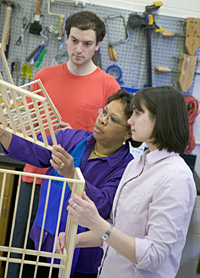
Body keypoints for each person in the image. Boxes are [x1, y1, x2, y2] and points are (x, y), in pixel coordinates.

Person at [7, 10, 120, 278]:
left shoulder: (108, 85)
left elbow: (111, 134)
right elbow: (22, 123)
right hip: (33, 176)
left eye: (87, 43)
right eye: (73, 40)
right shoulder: (44, 76)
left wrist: (78, 132)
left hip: (75, 186)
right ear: (66, 39)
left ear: (98, 45)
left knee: (62, 257)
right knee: (20, 249)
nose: (78, 49)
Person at [56, 86, 197, 278]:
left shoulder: (176, 177)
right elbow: (118, 230)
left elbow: (154, 256)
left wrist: (96, 223)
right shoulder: (137, 165)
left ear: (160, 120)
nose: (130, 120)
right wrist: (75, 239)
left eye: (138, 113)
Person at [0, 90, 141, 277]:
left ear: (128, 133)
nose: (103, 120)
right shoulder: (74, 138)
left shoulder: (126, 168)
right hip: (44, 239)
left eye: (113, 119)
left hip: (81, 253)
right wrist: (4, 136)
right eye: (104, 112)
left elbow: (104, 205)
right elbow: (36, 149)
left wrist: (71, 174)